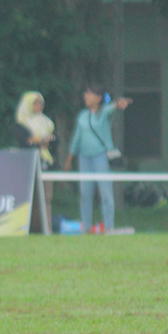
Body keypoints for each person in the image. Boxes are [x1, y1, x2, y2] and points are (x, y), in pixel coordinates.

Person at [63, 84, 131, 234]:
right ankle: (86, 227)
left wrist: (119, 103)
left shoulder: (103, 113)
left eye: (90, 94)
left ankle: (109, 227)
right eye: (85, 94)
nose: (86, 96)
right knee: (85, 194)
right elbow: (76, 138)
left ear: (99, 98)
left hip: (101, 157)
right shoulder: (82, 116)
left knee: (105, 193)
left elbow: (112, 108)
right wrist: (69, 159)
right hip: (84, 158)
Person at [14, 90, 57, 221]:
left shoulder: (47, 122)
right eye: (35, 103)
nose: (39, 106)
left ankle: (46, 225)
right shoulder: (21, 122)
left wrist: (38, 140)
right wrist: (42, 141)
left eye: (41, 103)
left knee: (46, 197)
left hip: (45, 162)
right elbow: (25, 141)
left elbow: (55, 141)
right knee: (27, 197)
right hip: (26, 164)